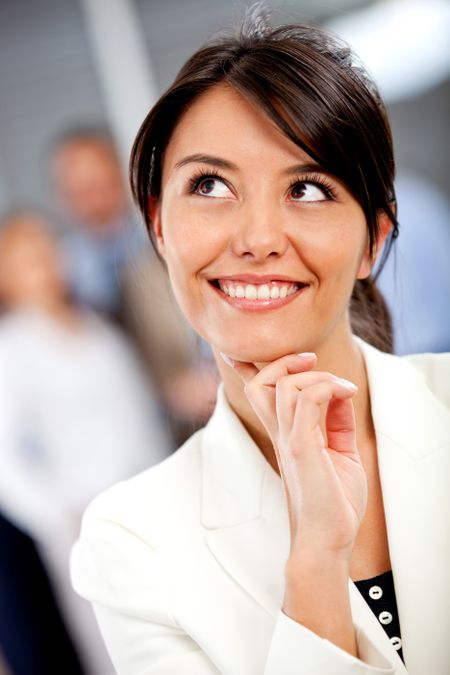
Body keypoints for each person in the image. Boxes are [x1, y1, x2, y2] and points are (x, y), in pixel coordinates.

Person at [71, 7, 450, 675]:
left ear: (376, 240)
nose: (257, 238)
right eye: (209, 185)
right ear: (160, 227)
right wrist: (315, 558)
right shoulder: (129, 542)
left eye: (307, 187)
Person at [0, 211, 172, 674]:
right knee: (114, 643)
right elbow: (4, 460)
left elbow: (139, 419)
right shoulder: (11, 347)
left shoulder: (99, 328)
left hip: (143, 504)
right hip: (80, 521)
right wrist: (57, 515)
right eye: (27, 259)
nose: (45, 264)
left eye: (47, 250)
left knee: (172, 624)